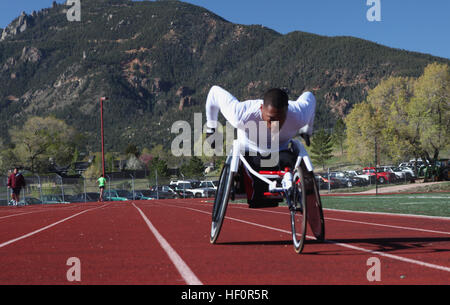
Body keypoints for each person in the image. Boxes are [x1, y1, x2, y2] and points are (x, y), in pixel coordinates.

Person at [205, 85, 316, 208]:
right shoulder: (241, 114)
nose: (275, 124)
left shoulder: (298, 115)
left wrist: (307, 130)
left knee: (291, 158)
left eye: (280, 119)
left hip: (280, 152)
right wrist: (211, 128)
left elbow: (310, 96)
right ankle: (240, 180)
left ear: (287, 111)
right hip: (249, 152)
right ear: (261, 108)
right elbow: (214, 92)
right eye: (271, 119)